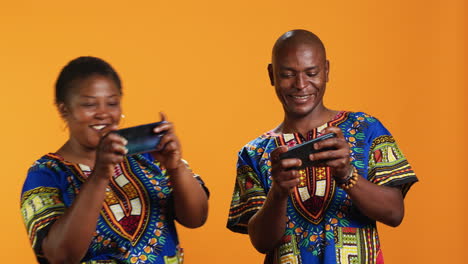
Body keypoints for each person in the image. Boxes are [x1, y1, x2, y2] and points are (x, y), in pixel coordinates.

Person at [227, 30, 418, 264]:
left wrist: (348, 174)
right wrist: (278, 192)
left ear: (326, 71)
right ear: (271, 74)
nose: (300, 84)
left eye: (311, 73)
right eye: (287, 74)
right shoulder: (255, 153)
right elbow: (261, 242)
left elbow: (395, 213)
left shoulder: (365, 129)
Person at [20, 56, 209, 264]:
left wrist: (175, 167)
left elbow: (196, 218)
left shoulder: (147, 157)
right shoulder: (46, 174)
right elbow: (60, 256)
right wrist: (100, 175)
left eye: (112, 103)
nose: (103, 114)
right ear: (65, 109)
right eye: (89, 104)